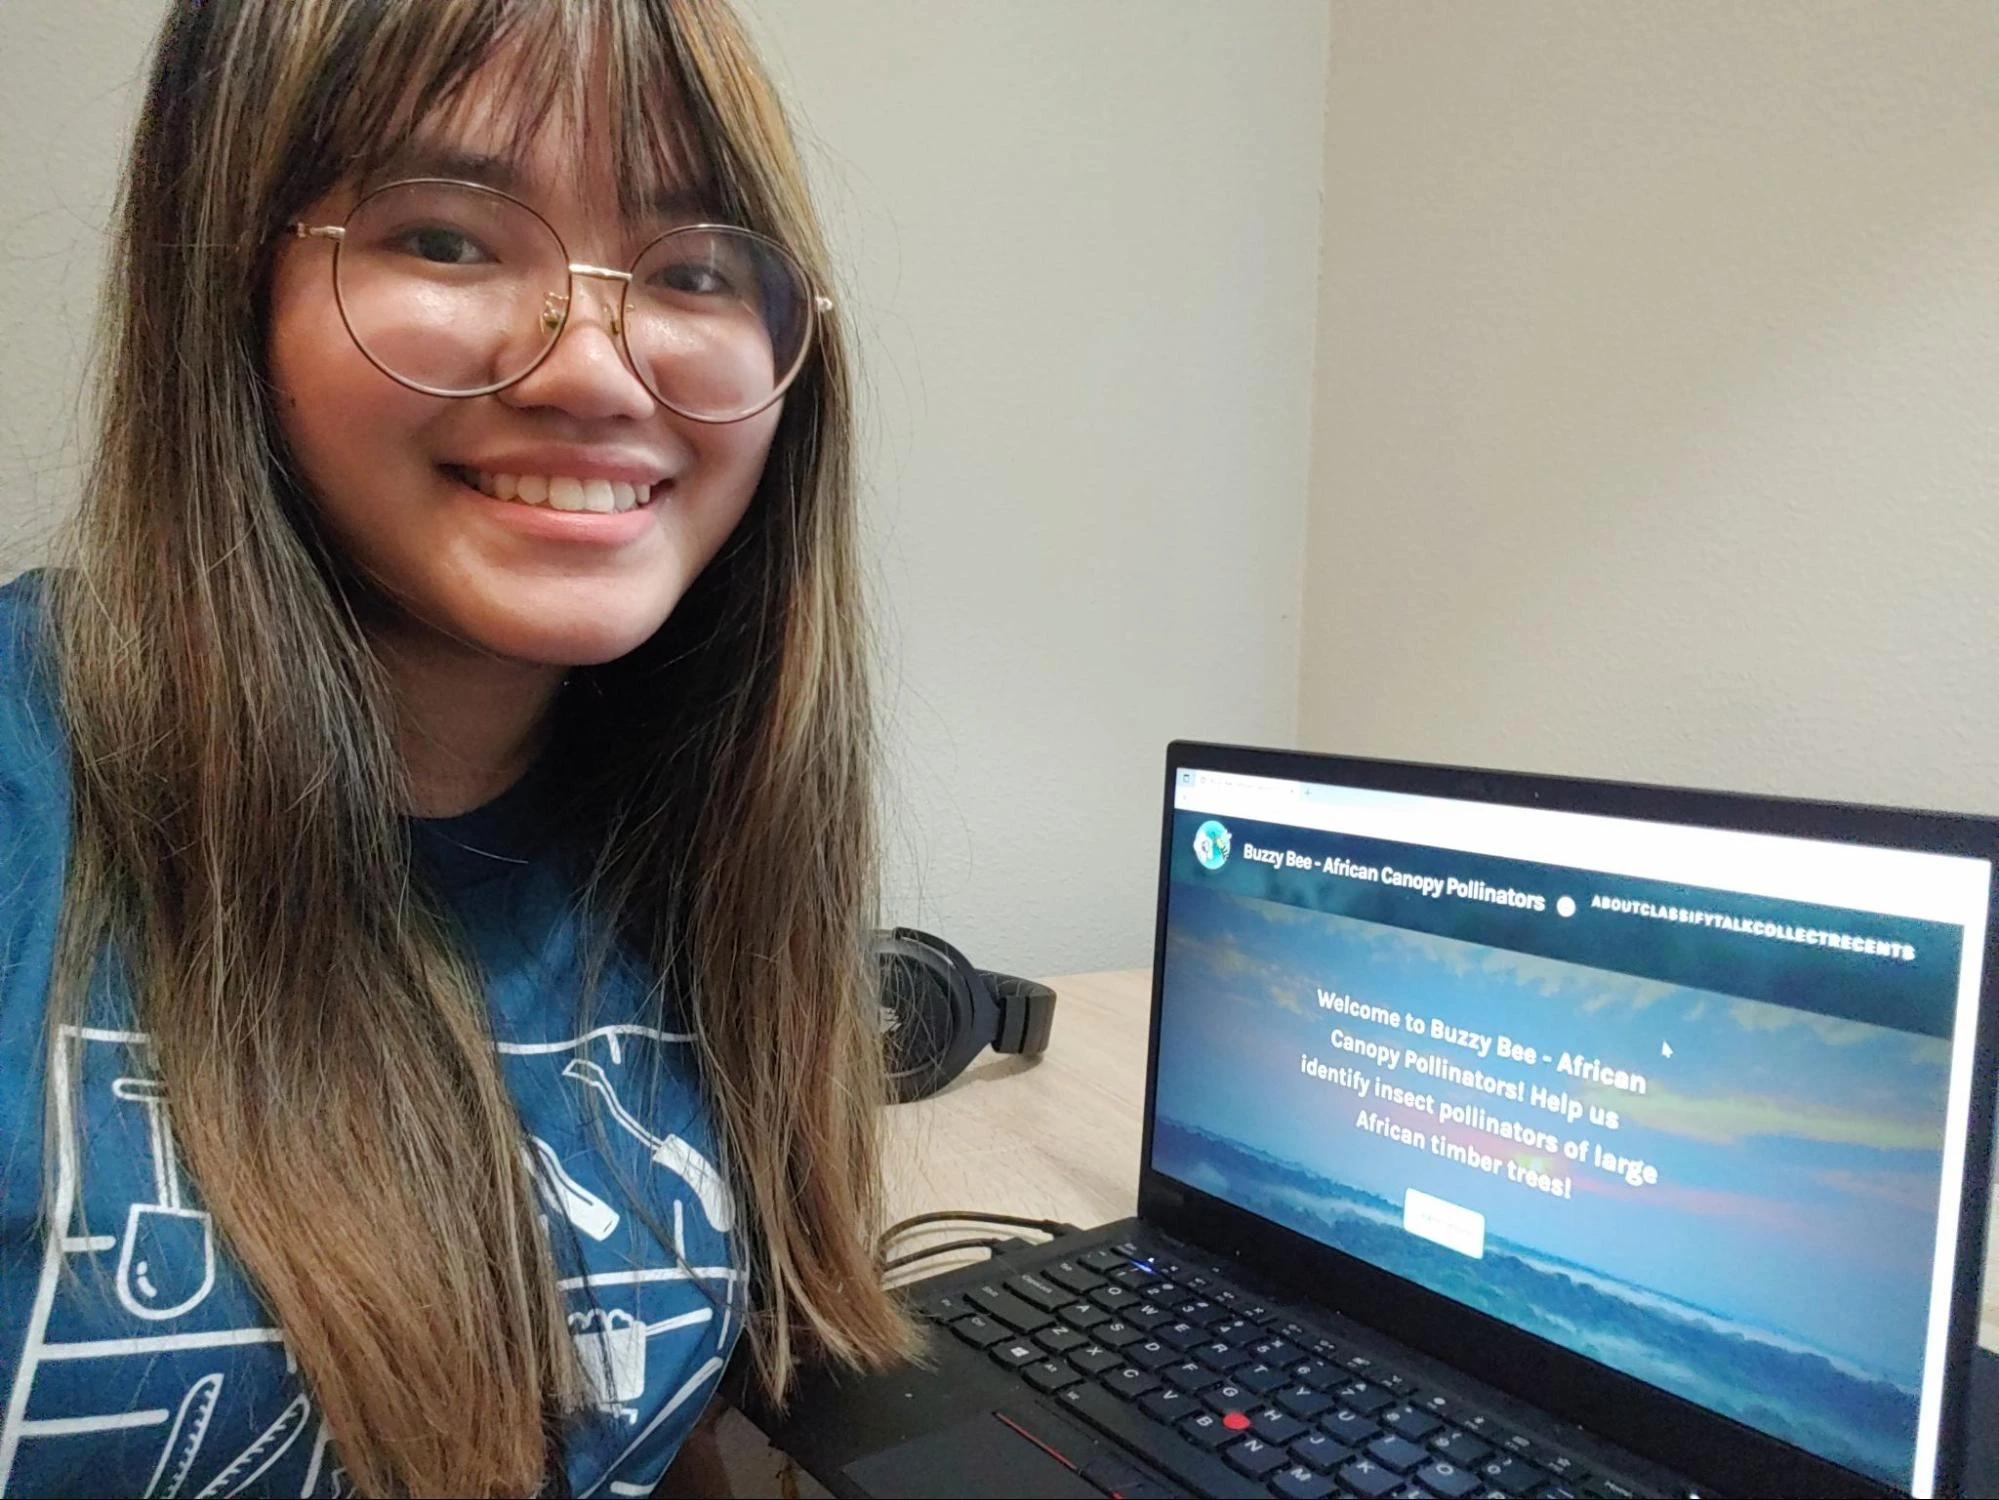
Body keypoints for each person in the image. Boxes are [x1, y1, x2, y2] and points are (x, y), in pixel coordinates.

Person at [0, 0, 913, 1493]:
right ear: (224, 288)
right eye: (443, 239)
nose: (595, 370)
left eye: (691, 269)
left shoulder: (697, 825)